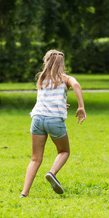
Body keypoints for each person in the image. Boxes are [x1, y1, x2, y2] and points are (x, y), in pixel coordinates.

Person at [21, 50, 86, 197]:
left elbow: (48, 98)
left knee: (35, 158)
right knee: (64, 151)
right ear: (62, 64)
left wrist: (62, 104)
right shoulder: (64, 78)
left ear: (46, 62)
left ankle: (24, 193)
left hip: (37, 119)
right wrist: (81, 107)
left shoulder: (42, 79)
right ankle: (52, 173)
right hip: (54, 120)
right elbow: (76, 84)